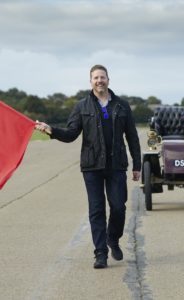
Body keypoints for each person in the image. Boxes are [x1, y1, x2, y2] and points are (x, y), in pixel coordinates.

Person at [35, 64, 141, 269]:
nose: (99, 80)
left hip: (117, 165)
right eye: (95, 78)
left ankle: (113, 239)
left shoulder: (122, 106)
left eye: (102, 77)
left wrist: (137, 164)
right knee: (96, 209)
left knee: (118, 207)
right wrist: (51, 130)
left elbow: (133, 137)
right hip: (92, 165)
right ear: (90, 81)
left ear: (109, 80)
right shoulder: (81, 106)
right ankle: (100, 253)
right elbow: (71, 134)